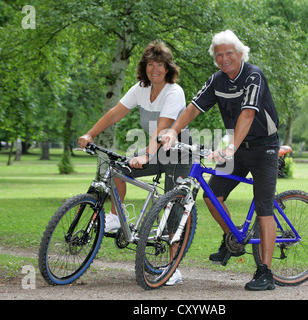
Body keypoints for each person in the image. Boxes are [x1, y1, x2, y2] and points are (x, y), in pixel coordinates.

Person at [161, 30, 280, 291]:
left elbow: (248, 115)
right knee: (212, 194)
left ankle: (266, 273)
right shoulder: (217, 80)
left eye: (228, 53)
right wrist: (172, 130)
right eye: (219, 55)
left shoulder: (253, 75)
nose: (224, 58)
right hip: (238, 149)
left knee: (263, 209)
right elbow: (193, 107)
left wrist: (230, 147)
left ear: (240, 54)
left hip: (264, 148)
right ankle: (231, 239)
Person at [78, 40, 191, 285]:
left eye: (160, 65)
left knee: (174, 208)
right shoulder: (140, 88)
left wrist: (146, 156)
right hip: (153, 149)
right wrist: (90, 134)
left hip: (177, 154)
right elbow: (115, 112)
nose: (155, 69)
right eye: (151, 64)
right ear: (144, 67)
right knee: (117, 170)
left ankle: (173, 269)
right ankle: (117, 217)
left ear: (168, 68)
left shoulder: (174, 91)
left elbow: (162, 130)